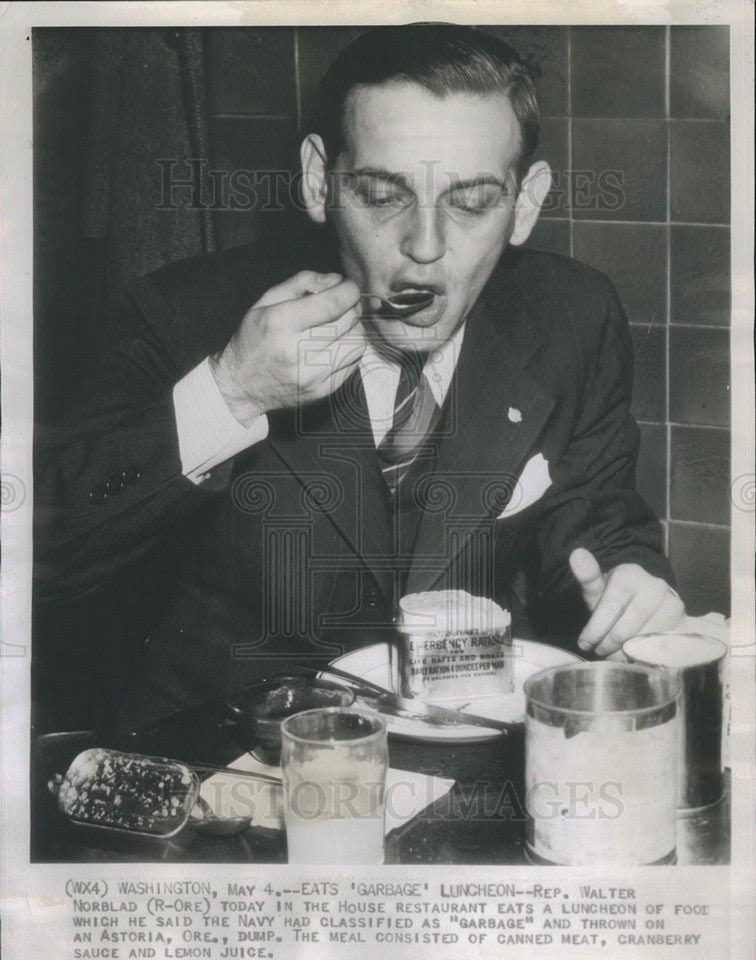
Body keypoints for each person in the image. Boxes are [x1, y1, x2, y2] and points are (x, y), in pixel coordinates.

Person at [34, 24, 684, 730]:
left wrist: (629, 590)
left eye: (471, 202)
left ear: (525, 204)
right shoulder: (184, 314)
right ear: (320, 182)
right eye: (380, 194)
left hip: (462, 757)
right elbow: (42, 557)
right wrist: (231, 392)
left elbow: (600, 531)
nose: (425, 248)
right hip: (224, 766)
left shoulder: (572, 318)